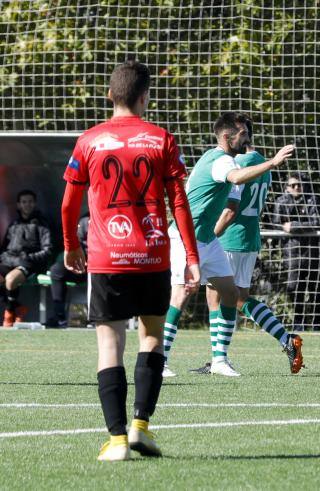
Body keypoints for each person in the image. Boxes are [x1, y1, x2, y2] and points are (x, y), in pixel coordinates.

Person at [61, 60, 201, 461]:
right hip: (153, 255)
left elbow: (70, 202)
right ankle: (141, 427)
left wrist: (72, 244)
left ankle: (117, 439)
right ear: (145, 97)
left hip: (107, 258)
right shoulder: (161, 139)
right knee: (152, 338)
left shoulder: (88, 140)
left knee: (110, 344)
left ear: (110, 95)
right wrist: (190, 255)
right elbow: (179, 201)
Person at [162, 125, 302, 377]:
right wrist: (272, 162)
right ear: (228, 137)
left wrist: (211, 238)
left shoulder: (232, 162)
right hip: (213, 237)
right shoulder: (225, 162)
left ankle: (220, 359)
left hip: (222, 237)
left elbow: (230, 207)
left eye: (247, 133)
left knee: (227, 295)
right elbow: (232, 183)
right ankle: (162, 361)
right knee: (205, 295)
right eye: (242, 133)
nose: (245, 137)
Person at [271, 172, 320, 329]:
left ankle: (317, 324)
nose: (296, 187)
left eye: (299, 184)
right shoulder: (281, 201)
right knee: (295, 289)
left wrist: (293, 226)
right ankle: (298, 322)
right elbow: (275, 224)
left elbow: (317, 222)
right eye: (293, 185)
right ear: (287, 187)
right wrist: (285, 227)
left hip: (312, 251)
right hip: (292, 252)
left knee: (315, 288)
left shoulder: (312, 199)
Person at [1, 190, 53, 326]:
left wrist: (29, 258)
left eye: (30, 202)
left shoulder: (42, 224)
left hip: (30, 263)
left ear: (35, 203)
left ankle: (9, 313)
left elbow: (48, 250)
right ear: (18, 205)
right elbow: (5, 247)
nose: (27, 205)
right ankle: (18, 307)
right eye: (24, 202)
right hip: (9, 260)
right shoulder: (14, 224)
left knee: (11, 280)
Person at [46, 214, 89, 328]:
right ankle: (60, 317)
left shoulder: (109, 217)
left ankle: (96, 318)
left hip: (101, 263)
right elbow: (76, 242)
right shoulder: (85, 220)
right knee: (56, 271)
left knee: (98, 272)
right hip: (83, 262)